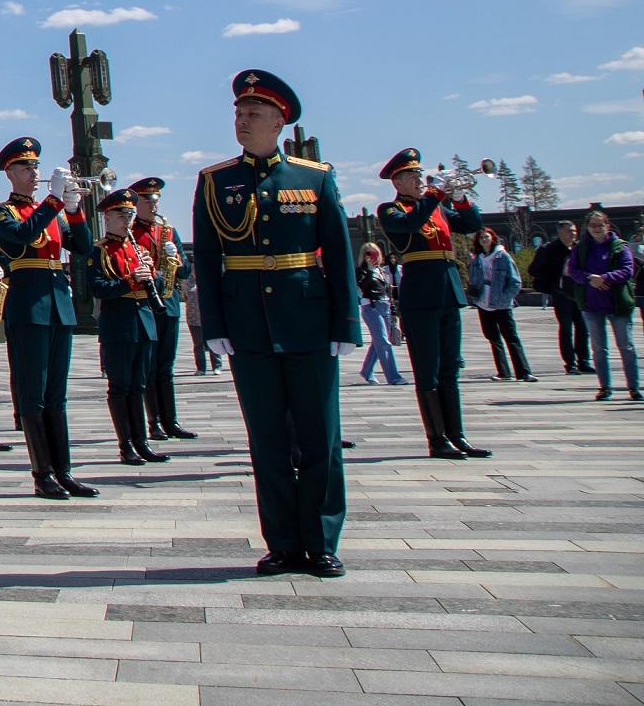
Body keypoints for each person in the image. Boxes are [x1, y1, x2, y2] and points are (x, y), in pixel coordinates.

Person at [192, 69, 355, 579]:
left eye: (254, 114)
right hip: (248, 327)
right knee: (267, 441)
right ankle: (283, 542)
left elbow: (340, 254)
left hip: (308, 321)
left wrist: (345, 322)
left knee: (320, 438)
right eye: (239, 113)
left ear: (280, 121)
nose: (242, 121)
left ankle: (322, 541)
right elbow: (209, 259)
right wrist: (215, 324)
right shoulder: (215, 181)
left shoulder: (314, 178)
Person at [0, 136, 96, 500]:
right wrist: (53, 203)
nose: (34, 173)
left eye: (35, 167)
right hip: (29, 305)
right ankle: (42, 472)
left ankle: (64, 471)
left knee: (56, 396)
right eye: (26, 167)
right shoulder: (2, 212)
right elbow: (21, 238)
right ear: (10, 173)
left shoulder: (47, 212)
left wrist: (75, 208)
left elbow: (82, 247)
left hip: (57, 305)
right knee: (33, 395)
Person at [377, 148, 489, 459]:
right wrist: (436, 195)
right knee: (428, 369)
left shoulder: (435, 208)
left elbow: (470, 223)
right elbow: (410, 226)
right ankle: (436, 438)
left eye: (419, 175)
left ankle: (458, 434)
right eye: (412, 177)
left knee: (450, 368)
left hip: (447, 291)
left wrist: (461, 196)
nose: (419, 181)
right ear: (397, 183)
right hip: (421, 294)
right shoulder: (390, 209)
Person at [91, 187, 167, 467]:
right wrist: (129, 280)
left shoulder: (139, 249)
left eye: (130, 214)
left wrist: (153, 276)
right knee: (120, 386)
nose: (127, 220)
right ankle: (126, 446)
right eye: (122, 214)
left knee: (139, 384)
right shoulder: (99, 250)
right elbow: (97, 288)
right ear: (108, 217)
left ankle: (142, 441)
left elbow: (154, 288)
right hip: (119, 324)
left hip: (143, 322)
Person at [130, 178, 196, 441]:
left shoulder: (168, 231)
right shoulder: (132, 233)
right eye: (147, 200)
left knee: (165, 367)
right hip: (146, 304)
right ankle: (154, 421)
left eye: (155, 200)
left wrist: (176, 259)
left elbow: (186, 272)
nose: (153, 205)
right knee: (148, 366)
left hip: (168, 304)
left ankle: (171, 420)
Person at [567, 210, 639, 401]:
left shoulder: (620, 247)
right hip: (592, 305)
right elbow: (573, 271)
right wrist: (590, 278)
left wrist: (604, 278)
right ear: (587, 227)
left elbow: (627, 270)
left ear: (608, 226)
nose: (597, 229)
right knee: (599, 348)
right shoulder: (580, 248)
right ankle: (605, 387)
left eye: (600, 225)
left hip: (618, 304)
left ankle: (634, 387)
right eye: (593, 225)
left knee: (626, 347)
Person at [468, 229, 534, 382]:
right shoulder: (477, 259)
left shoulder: (502, 256)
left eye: (487, 237)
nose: (484, 240)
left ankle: (524, 372)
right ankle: (503, 372)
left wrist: (505, 298)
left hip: (501, 304)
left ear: (493, 238)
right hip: (483, 303)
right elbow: (474, 279)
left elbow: (515, 281)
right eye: (481, 238)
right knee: (493, 338)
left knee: (511, 337)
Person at [530, 220, 590, 376]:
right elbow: (534, 269)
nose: (573, 233)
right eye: (570, 231)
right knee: (566, 328)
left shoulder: (579, 248)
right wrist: (553, 284)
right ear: (560, 232)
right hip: (561, 294)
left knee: (583, 328)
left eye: (575, 231)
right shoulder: (549, 249)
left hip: (579, 293)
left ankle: (584, 361)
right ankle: (570, 363)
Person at [356, 243, 406, 386]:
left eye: (375, 253)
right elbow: (362, 287)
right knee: (383, 342)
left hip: (385, 307)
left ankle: (367, 371)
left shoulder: (382, 271)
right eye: (368, 254)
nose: (372, 256)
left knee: (378, 342)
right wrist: (370, 272)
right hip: (371, 307)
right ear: (363, 256)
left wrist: (394, 311)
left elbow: (388, 292)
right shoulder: (362, 271)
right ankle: (393, 376)